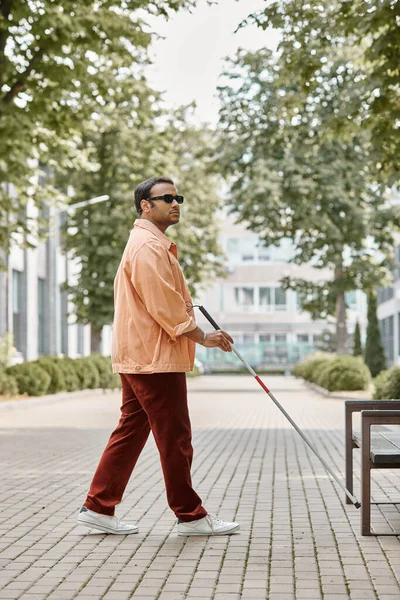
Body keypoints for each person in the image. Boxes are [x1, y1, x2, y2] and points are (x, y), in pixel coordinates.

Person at [77, 176, 240, 537]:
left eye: (177, 196)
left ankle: (98, 506)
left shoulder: (151, 244)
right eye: (166, 197)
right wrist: (202, 336)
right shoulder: (148, 248)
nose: (175, 202)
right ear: (145, 205)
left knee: (131, 430)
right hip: (154, 358)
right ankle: (191, 516)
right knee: (175, 436)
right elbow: (163, 305)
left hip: (143, 355)